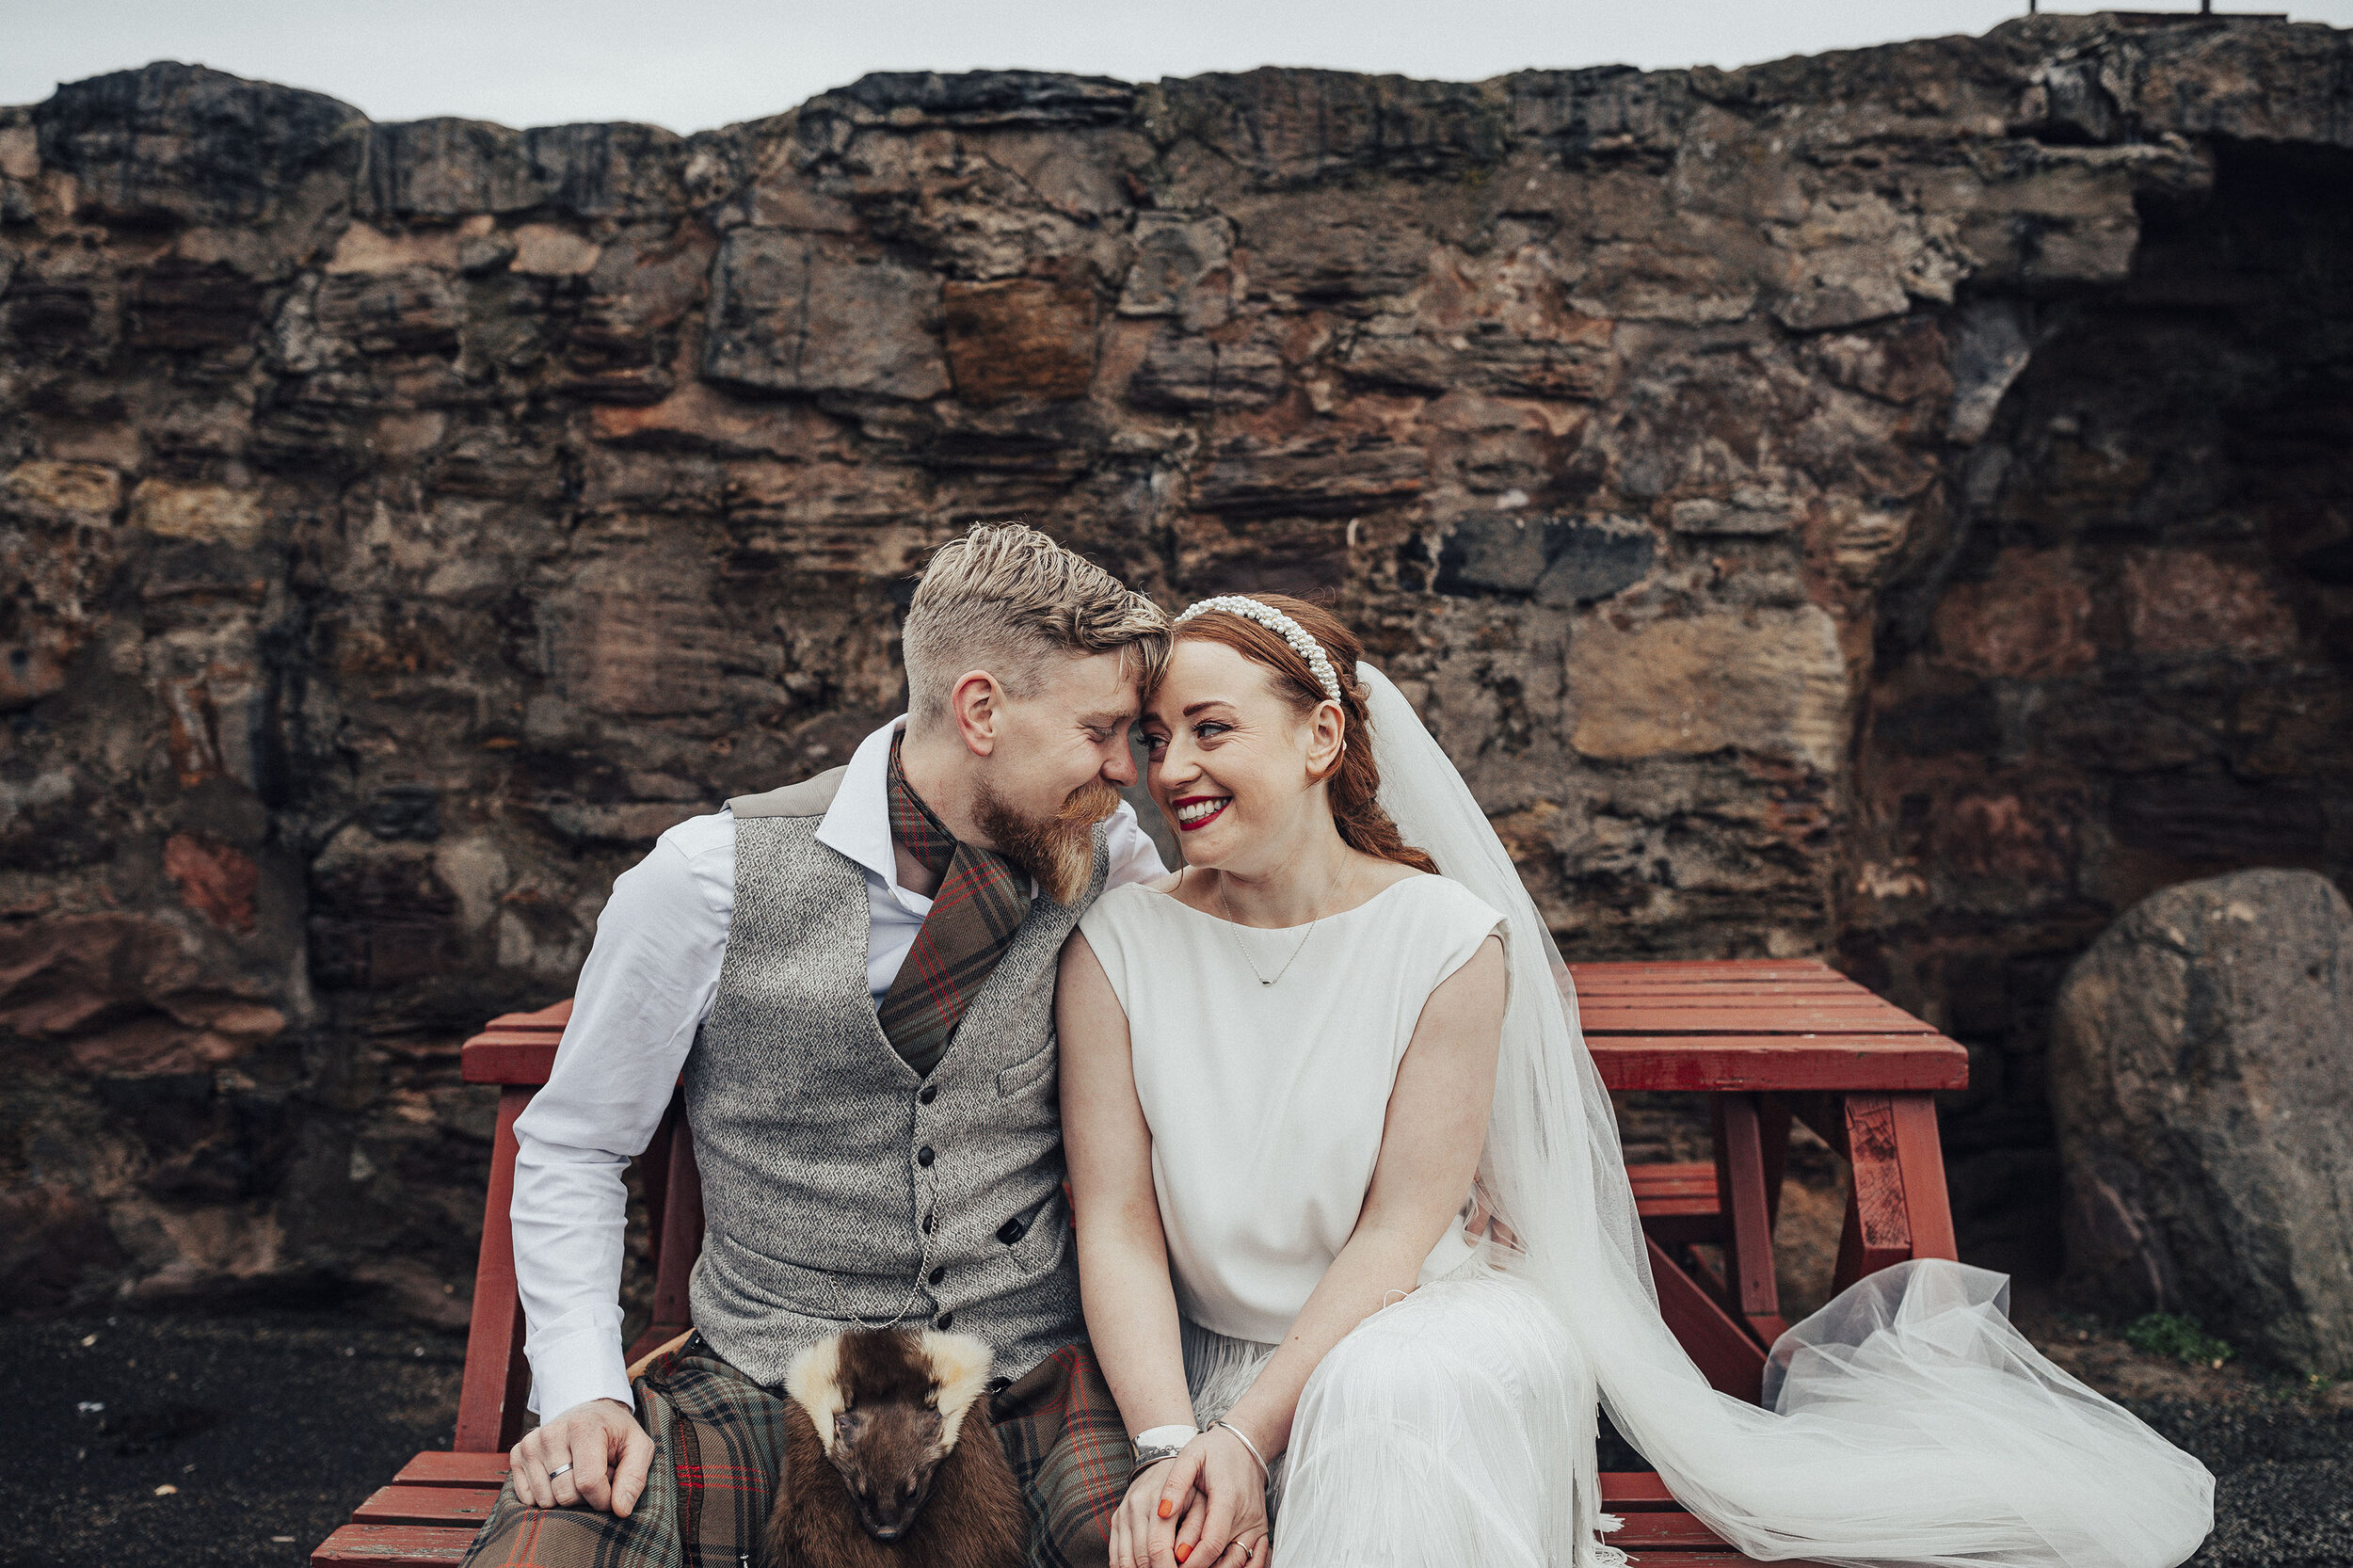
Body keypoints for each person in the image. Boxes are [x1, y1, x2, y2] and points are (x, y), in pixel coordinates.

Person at [1059, 592, 2217, 1568]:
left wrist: (1252, 1439)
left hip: (1413, 1326)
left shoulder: (1445, 941)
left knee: (1390, 1404)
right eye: (1156, 739)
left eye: (1211, 729)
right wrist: (1172, 1443)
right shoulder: (1119, 945)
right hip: (1202, 1360)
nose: (1173, 770)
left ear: (1319, 737)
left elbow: (1396, 1233)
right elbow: (1115, 1222)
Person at [461, 523, 1171, 1568]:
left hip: (1028, 1372)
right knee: (557, 1551)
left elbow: (1218, 1021)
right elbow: (573, 1145)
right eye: (1102, 731)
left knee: (1187, 1550)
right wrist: (580, 1392)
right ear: (982, 710)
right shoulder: (706, 880)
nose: (1128, 770)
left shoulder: (1104, 854)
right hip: (762, 1369)